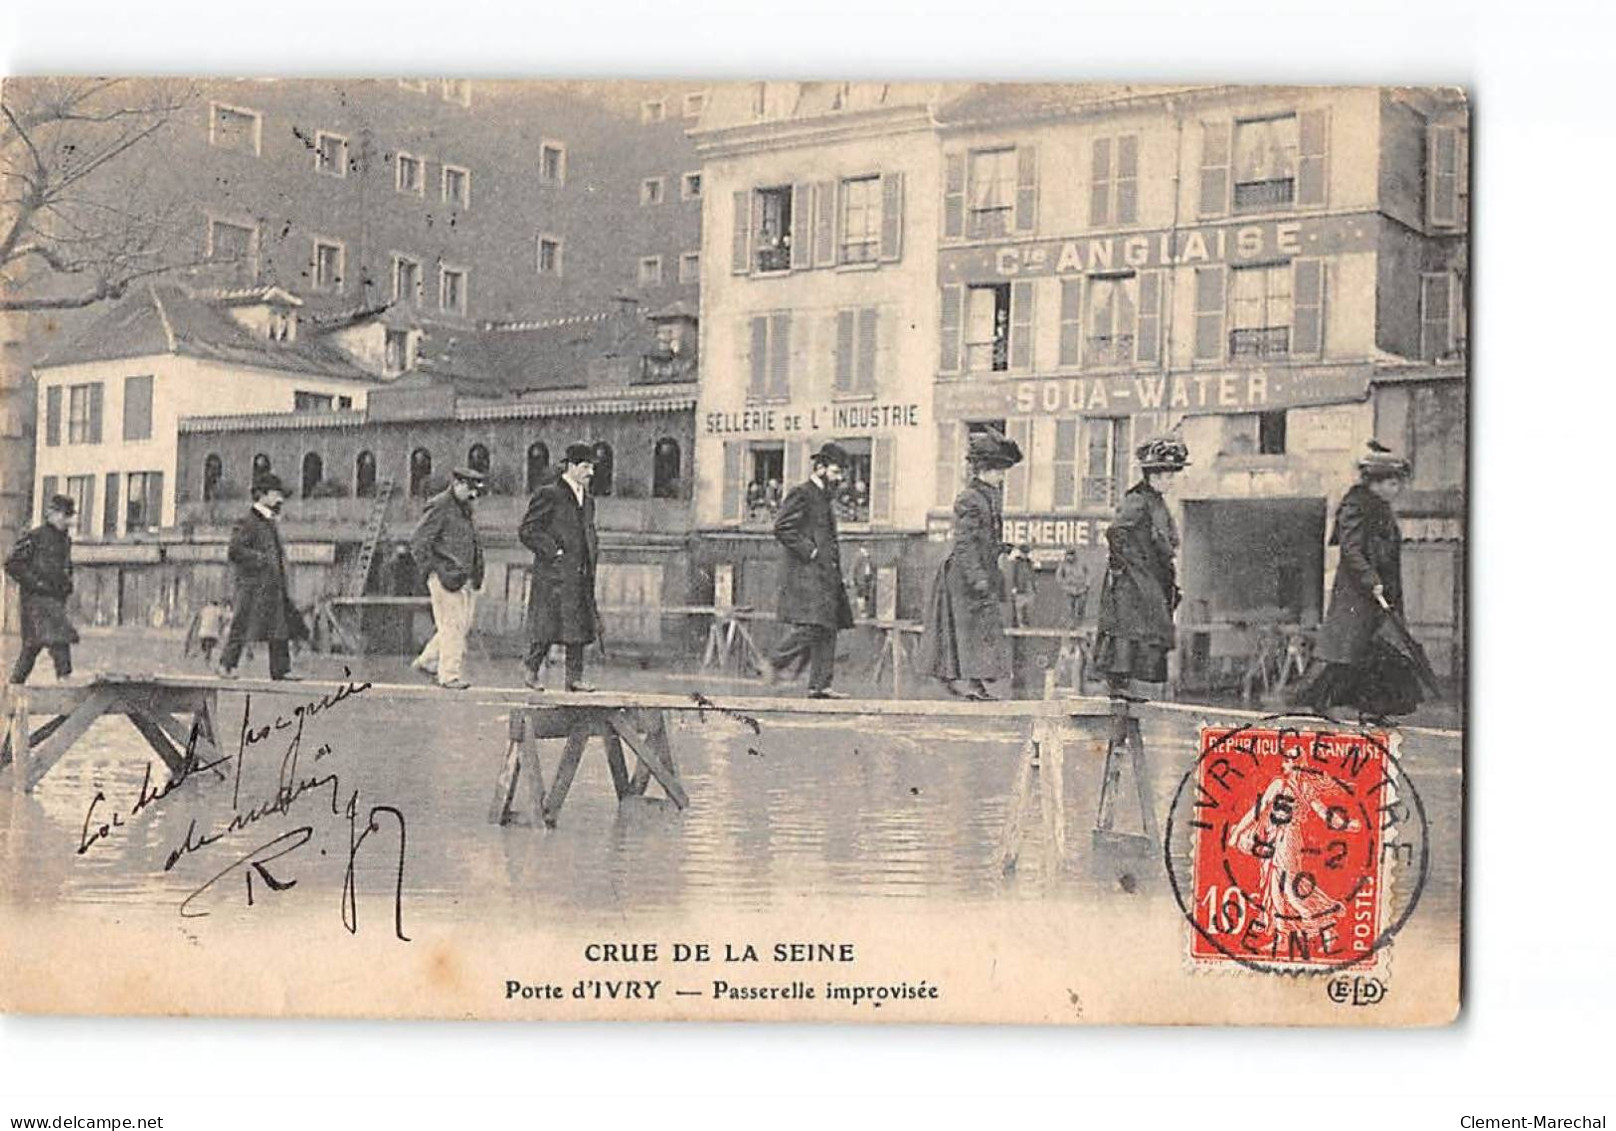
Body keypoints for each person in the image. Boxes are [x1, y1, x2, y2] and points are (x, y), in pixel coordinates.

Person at [1291, 442, 1420, 720]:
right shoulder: (1356, 507)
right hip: (1358, 593)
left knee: (1380, 651)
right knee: (1343, 652)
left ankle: (1373, 709)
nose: (1396, 490)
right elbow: (1351, 550)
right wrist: (1371, 580)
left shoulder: (1382, 509)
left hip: (1380, 592)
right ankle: (1312, 703)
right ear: (1375, 483)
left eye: (1397, 484)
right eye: (1392, 483)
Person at [922, 427, 1023, 700]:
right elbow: (965, 543)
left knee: (978, 630)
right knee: (968, 631)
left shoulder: (987, 496)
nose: (1002, 478)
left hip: (979, 570)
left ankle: (973, 684)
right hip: (965, 574)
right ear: (985, 470)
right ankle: (969, 684)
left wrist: (1007, 548)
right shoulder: (969, 498)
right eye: (999, 471)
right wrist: (977, 577)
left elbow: (985, 539)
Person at [1092, 435, 1190, 700]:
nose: (1170, 480)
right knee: (1130, 636)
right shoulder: (1138, 500)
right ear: (1153, 475)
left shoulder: (1156, 501)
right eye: (1166, 475)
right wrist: (1131, 569)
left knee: (1148, 635)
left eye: (1172, 474)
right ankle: (1123, 691)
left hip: (1149, 582)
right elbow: (1116, 533)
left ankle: (1131, 694)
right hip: (1133, 586)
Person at [763, 442, 855, 699]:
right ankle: (773, 662)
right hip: (808, 574)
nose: (840, 478)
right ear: (820, 467)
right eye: (836, 472)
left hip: (826, 574)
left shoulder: (824, 496)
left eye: (841, 474)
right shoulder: (802, 493)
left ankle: (820, 686)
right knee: (813, 626)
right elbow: (782, 527)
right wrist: (810, 551)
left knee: (828, 626)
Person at [520, 443, 600, 692]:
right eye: (586, 467)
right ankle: (531, 671)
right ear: (571, 466)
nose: (591, 473)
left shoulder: (588, 500)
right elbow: (528, 530)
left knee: (577, 626)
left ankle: (574, 679)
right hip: (554, 573)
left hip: (579, 572)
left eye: (592, 467)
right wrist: (553, 551)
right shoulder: (549, 493)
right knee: (547, 624)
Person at [218, 473, 305, 680]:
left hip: (272, 587)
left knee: (279, 627)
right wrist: (261, 560)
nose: (280, 500)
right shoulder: (248, 521)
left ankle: (281, 670)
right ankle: (225, 665)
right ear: (262, 495)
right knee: (241, 624)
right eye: (276, 494)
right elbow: (235, 550)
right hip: (252, 587)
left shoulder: (269, 522)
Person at [410, 466, 487, 691]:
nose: (474, 496)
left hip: (465, 579)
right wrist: (434, 570)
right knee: (452, 626)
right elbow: (418, 541)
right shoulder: (440, 506)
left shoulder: (465, 508)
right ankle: (449, 675)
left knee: (458, 627)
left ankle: (427, 662)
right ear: (458, 484)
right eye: (471, 490)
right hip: (446, 578)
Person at [5, 494, 79, 685]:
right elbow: (12, 564)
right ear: (52, 514)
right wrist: (36, 583)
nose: (68, 521)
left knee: (37, 645)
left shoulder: (65, 541)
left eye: (70, 516)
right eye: (65, 515)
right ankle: (63, 681)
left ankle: (15, 687)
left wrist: (67, 584)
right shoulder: (35, 537)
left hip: (53, 600)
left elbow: (65, 568)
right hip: (35, 602)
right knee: (49, 641)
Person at [1055, 549, 1091, 629]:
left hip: (1081, 589)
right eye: (1068, 555)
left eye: (1071, 555)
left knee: (1080, 608)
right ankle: (1071, 625)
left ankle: (1080, 624)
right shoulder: (1063, 564)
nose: (1069, 557)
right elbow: (1058, 576)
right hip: (1069, 590)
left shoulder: (1081, 563)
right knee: (1069, 609)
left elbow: (1087, 573)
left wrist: (1087, 584)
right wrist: (1064, 585)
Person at [1008, 543, 1038, 628]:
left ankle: (1026, 623)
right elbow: (1013, 575)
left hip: (1029, 587)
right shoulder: (1016, 563)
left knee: (1028, 607)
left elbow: (1032, 575)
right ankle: (1020, 623)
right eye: (1023, 552)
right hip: (1020, 587)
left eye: (1026, 553)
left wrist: (1034, 586)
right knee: (1019, 607)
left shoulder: (1029, 563)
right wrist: (1014, 586)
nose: (1025, 555)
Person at [851, 546, 876, 619]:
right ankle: (862, 611)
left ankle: (866, 611)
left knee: (867, 594)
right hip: (860, 578)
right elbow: (854, 567)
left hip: (868, 577)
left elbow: (872, 566)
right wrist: (853, 578)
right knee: (861, 594)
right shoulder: (858, 555)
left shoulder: (868, 556)